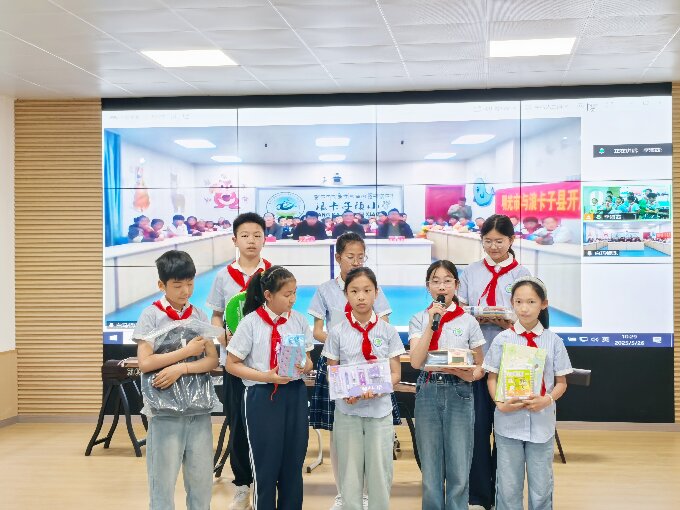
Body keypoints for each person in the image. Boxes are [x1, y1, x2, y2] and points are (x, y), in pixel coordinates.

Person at [308, 232, 393, 510]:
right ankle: (343, 494)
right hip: (338, 365)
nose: (356, 261)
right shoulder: (325, 290)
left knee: (374, 445)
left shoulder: (372, 285)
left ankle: (367, 495)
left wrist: (359, 339)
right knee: (341, 436)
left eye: (360, 256)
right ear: (338, 258)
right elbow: (317, 330)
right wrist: (343, 341)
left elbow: (383, 325)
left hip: (371, 370)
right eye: (350, 257)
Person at [133, 250, 219, 510]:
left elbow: (212, 360)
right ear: (162, 285)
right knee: (162, 480)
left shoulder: (199, 315)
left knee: (201, 480)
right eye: (178, 285)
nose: (185, 291)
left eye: (190, 283)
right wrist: (186, 353)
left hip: (198, 410)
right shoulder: (151, 315)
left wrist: (182, 368)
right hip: (165, 411)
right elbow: (145, 362)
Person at [457, 214, 531, 510]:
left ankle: (505, 495)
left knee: (508, 431)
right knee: (476, 429)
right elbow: (459, 311)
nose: (493, 247)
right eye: (487, 241)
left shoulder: (523, 274)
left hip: (513, 360)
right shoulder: (471, 272)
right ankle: (478, 495)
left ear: (511, 240)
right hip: (478, 361)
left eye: (499, 241)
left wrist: (509, 321)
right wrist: (473, 316)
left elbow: (532, 316)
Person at [226, 266, 314, 510]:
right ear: (268, 295)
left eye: (294, 293)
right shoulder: (250, 323)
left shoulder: (298, 320)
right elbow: (232, 364)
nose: (292, 299)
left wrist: (304, 365)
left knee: (293, 461)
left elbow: (309, 360)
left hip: (294, 394)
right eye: (287, 294)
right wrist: (265, 376)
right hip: (261, 396)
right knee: (265, 464)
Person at [483, 277, 572, 510]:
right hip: (508, 421)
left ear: (543, 304)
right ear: (512, 303)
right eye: (519, 301)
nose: (524, 308)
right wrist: (499, 403)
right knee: (508, 486)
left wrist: (546, 399)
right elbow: (491, 377)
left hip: (542, 422)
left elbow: (562, 383)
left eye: (531, 302)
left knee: (541, 487)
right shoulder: (502, 339)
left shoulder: (554, 341)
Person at [323, 267, 405, 510]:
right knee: (349, 473)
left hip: (380, 412)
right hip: (347, 412)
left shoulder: (388, 331)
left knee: (380, 472)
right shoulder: (337, 332)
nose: (361, 296)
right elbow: (332, 373)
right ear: (346, 294)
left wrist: (379, 388)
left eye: (367, 290)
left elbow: (396, 374)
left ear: (376, 293)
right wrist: (344, 391)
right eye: (354, 291)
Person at [206, 212, 271, 510]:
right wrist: (223, 338)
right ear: (235, 240)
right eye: (245, 235)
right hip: (235, 364)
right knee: (238, 426)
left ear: (265, 239)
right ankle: (243, 485)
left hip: (266, 366)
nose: (251, 240)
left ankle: (265, 484)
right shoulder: (223, 277)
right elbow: (216, 316)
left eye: (257, 235)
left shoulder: (274, 274)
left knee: (268, 427)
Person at [409, 260, 485, 510]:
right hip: (428, 388)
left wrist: (468, 375)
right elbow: (416, 362)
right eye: (436, 281)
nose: (442, 287)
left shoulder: (468, 322)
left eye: (447, 281)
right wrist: (432, 323)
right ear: (428, 286)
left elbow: (480, 366)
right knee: (430, 465)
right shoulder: (419, 318)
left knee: (459, 464)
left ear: (456, 284)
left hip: (459, 390)